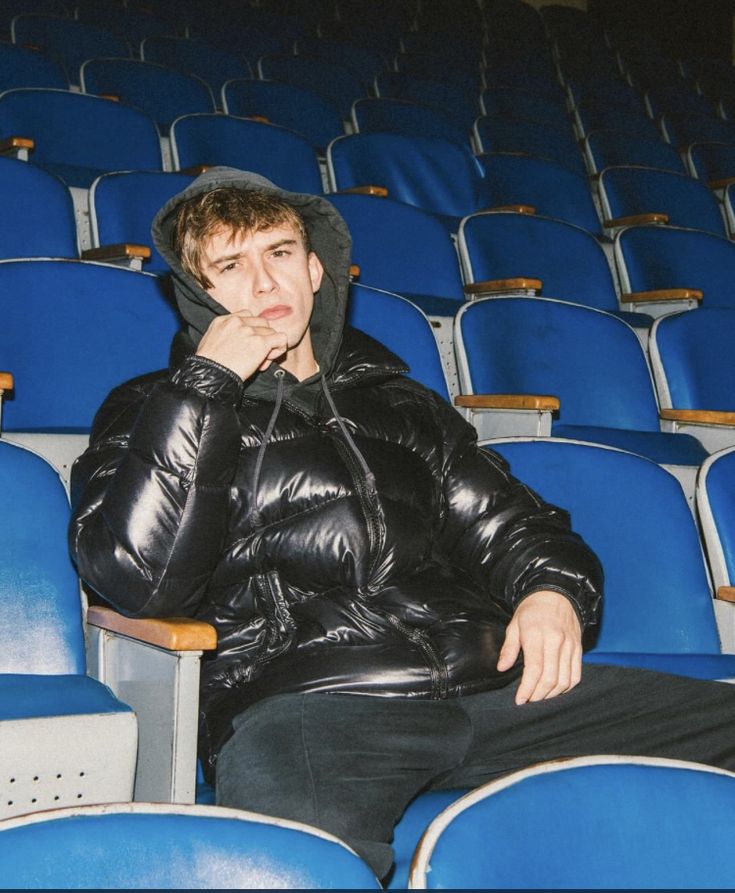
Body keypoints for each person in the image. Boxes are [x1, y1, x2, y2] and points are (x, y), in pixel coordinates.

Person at [69, 168, 735, 880]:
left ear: (315, 266)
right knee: (296, 863)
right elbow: (138, 583)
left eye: (280, 253)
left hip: (492, 681)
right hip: (310, 704)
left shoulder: (403, 405)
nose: (265, 284)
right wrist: (206, 390)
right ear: (198, 293)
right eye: (232, 266)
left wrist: (551, 592)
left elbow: (515, 523)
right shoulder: (153, 409)